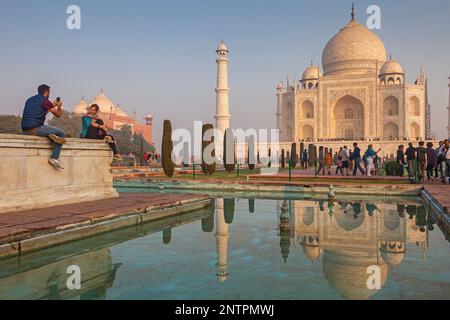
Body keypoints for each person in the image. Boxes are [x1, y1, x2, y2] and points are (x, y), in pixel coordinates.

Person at [21, 84, 66, 169]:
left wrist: (52, 105)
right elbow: (58, 114)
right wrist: (59, 106)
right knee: (61, 133)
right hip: (35, 129)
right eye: (49, 92)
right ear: (46, 92)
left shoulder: (30, 99)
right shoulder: (45, 101)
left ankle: (51, 136)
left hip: (25, 130)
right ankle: (54, 158)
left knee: (51, 133)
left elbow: (42, 112)